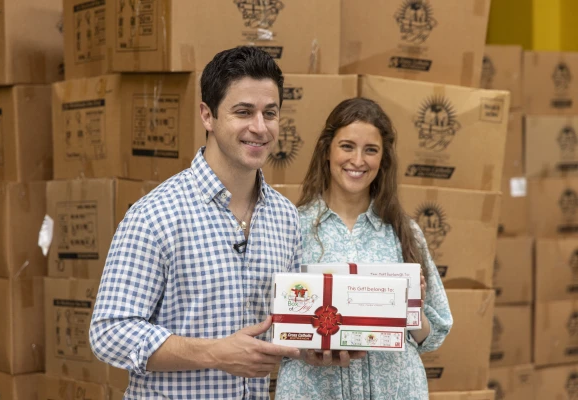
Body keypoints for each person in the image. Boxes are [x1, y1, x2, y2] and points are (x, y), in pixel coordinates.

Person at [89, 46, 302, 399]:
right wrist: (214, 353)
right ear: (207, 115)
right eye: (243, 112)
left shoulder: (285, 217)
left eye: (270, 113)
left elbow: (292, 321)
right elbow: (109, 333)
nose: (260, 128)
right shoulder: (155, 214)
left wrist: (326, 345)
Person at [275, 98, 453, 400]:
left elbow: (432, 336)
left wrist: (413, 307)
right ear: (327, 151)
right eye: (347, 146)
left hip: (394, 390)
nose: (358, 160)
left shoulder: (405, 232)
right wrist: (306, 348)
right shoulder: (291, 228)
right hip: (314, 389)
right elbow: (271, 328)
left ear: (383, 159)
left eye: (371, 150)